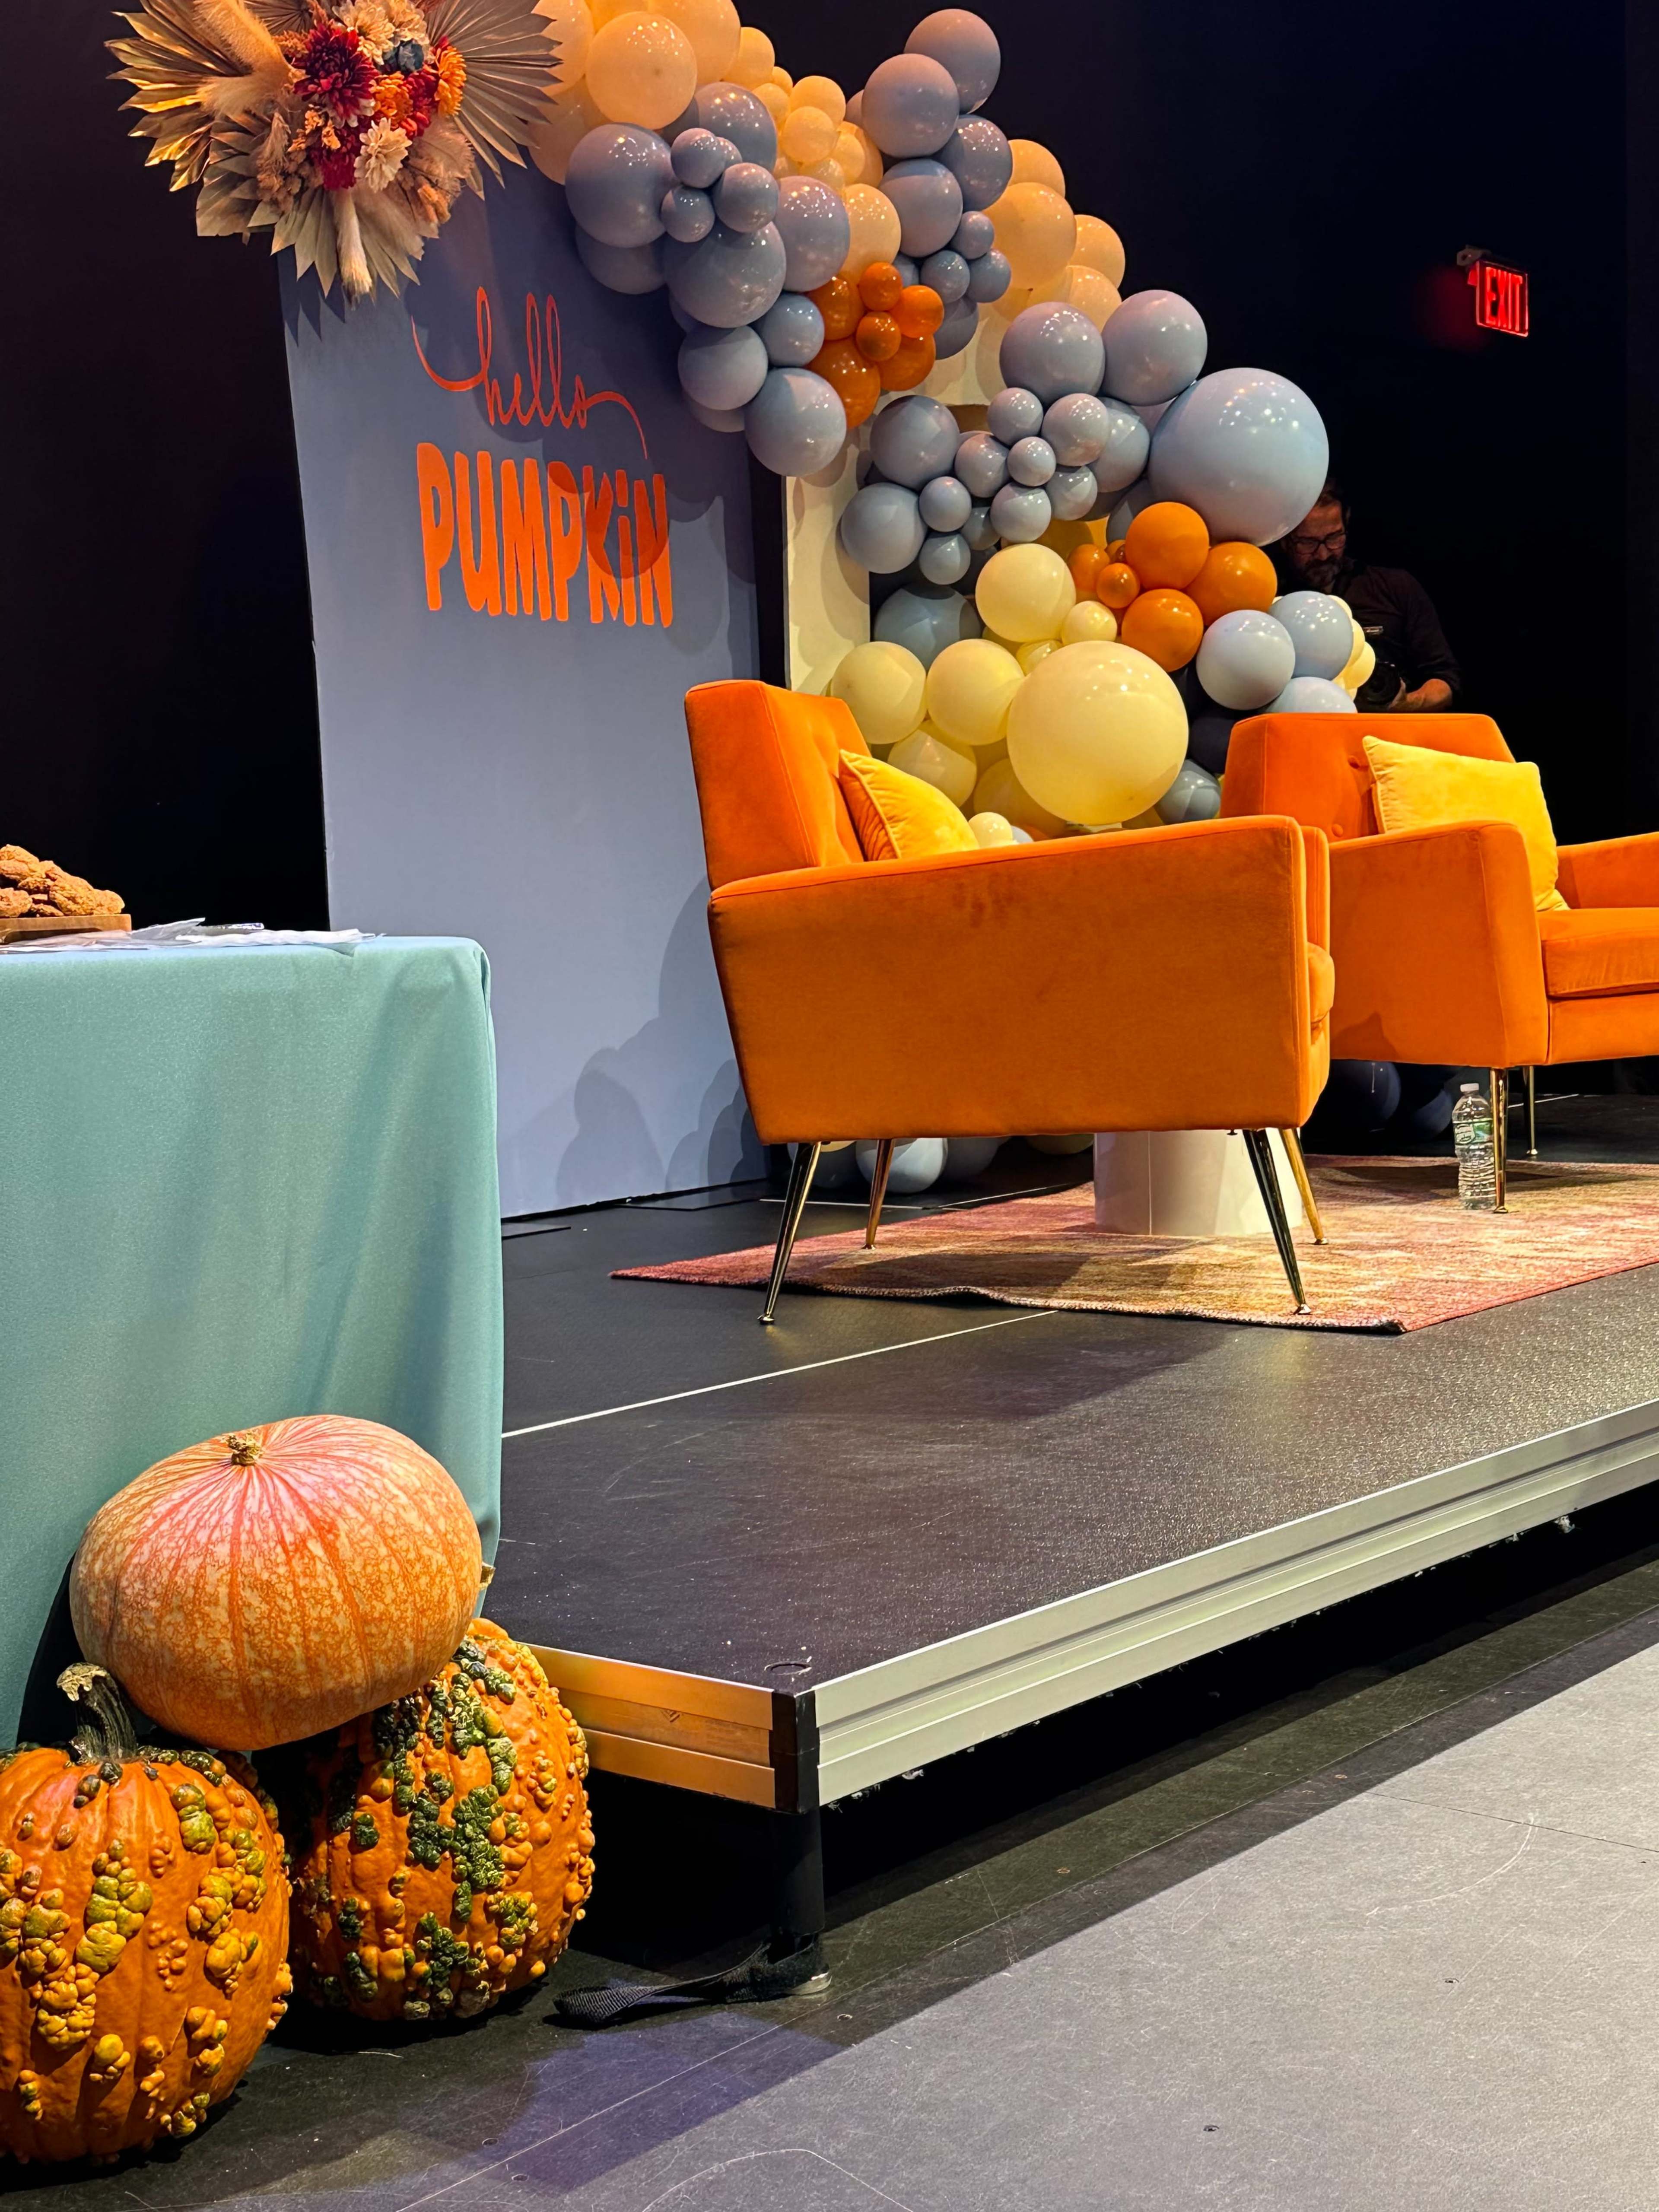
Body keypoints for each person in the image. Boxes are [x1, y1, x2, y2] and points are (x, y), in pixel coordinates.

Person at [1279, 481, 1462, 712]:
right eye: (1309, 543)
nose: (1324, 554)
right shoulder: (1275, 602)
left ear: (1347, 522)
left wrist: (1408, 703)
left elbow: (1445, 681)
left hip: (1388, 734)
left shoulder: (1395, 587)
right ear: (1285, 539)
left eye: (1334, 538)